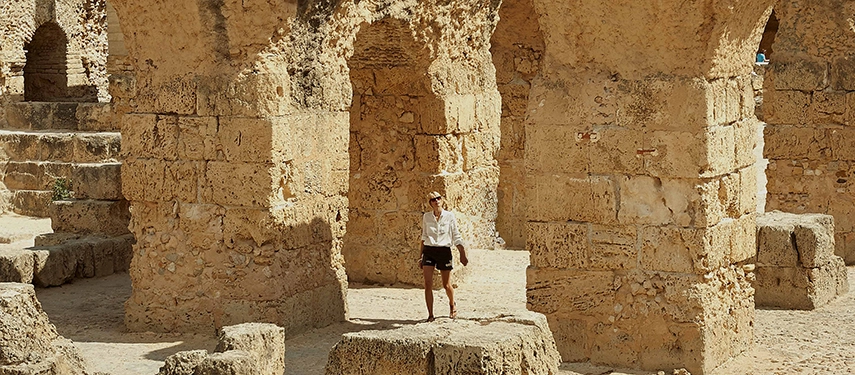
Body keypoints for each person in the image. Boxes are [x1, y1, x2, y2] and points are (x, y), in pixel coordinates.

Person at [419, 191, 468, 322]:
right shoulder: (427, 217)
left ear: (442, 200)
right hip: (429, 250)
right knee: (427, 283)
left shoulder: (449, 216)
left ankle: (452, 304)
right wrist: (420, 256)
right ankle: (430, 314)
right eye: (433, 199)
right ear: (430, 203)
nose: (436, 201)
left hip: (444, 251)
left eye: (438, 198)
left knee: (446, 284)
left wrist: (462, 253)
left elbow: (456, 235)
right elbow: (424, 237)